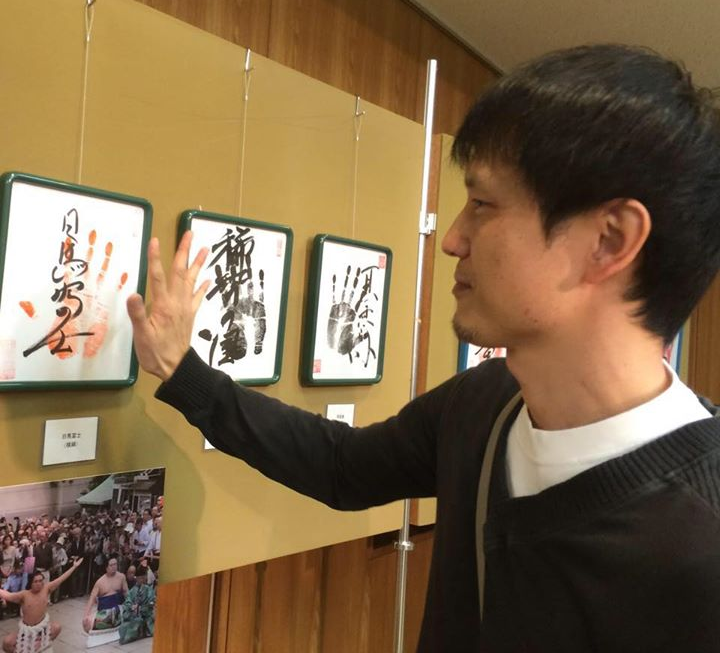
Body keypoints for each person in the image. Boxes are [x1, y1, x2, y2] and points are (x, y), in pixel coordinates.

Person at [127, 44, 720, 652]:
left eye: (483, 204)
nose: (453, 238)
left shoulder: (700, 543)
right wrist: (183, 372)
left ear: (610, 240)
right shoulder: (486, 404)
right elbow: (343, 467)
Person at [0, 558, 83, 653]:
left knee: (57, 627)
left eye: (40, 581)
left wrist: (74, 567)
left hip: (42, 629)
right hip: (26, 631)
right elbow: (8, 595)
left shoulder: (46, 589)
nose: (39, 584)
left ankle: (40, 645)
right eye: (36, 581)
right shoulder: (24, 595)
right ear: (30, 583)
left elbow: (61, 579)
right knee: (7, 643)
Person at [82, 557, 128, 633]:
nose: (114, 567)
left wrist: (131, 605)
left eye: (115, 564)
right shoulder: (100, 582)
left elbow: (126, 593)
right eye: (111, 565)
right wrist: (86, 615)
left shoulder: (121, 577)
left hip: (119, 610)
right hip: (104, 613)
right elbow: (92, 599)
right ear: (106, 567)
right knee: (88, 625)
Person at [118, 567, 155, 644]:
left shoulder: (149, 589)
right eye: (139, 578)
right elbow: (127, 602)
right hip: (133, 615)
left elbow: (151, 604)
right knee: (124, 626)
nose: (141, 580)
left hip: (145, 617)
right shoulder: (132, 590)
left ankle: (134, 634)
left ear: (144, 577)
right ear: (136, 578)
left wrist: (139, 608)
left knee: (137, 623)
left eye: (142, 578)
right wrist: (131, 607)